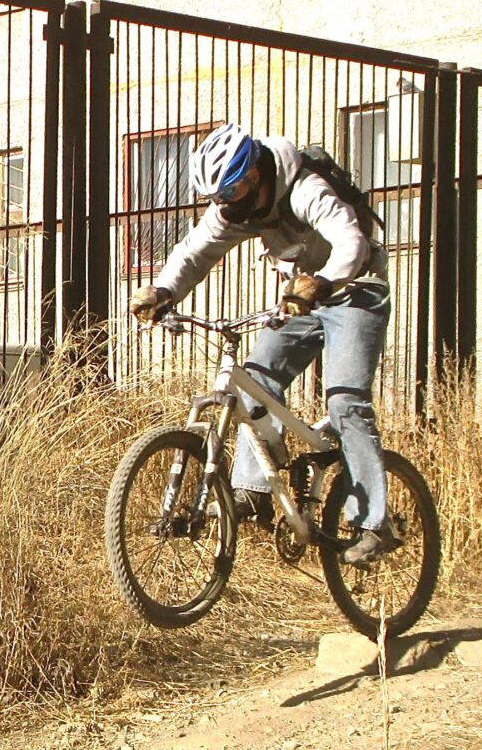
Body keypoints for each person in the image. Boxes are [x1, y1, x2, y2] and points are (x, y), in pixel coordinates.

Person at [127, 122, 396, 563]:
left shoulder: (305, 188)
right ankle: (253, 491)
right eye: (216, 199)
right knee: (253, 380)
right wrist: (162, 292)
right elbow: (194, 251)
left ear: (254, 176)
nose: (224, 206)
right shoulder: (239, 208)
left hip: (355, 291)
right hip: (301, 300)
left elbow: (351, 239)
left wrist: (324, 281)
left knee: (345, 400)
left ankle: (372, 523)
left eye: (230, 193)